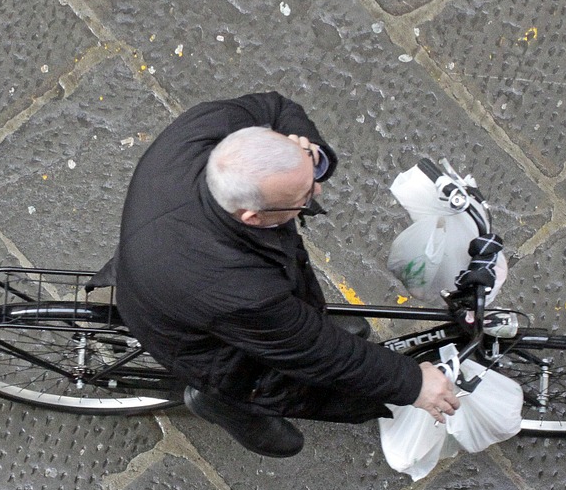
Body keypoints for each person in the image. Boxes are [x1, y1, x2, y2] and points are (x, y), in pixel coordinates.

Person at [113, 92, 459, 458]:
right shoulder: (238, 289)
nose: (318, 190)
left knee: (301, 317)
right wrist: (413, 383)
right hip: (197, 331)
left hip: (164, 256)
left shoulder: (201, 130)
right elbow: (315, 350)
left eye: (312, 175)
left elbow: (274, 108)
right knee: (303, 381)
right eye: (305, 198)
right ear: (253, 217)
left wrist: (307, 151)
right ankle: (220, 402)